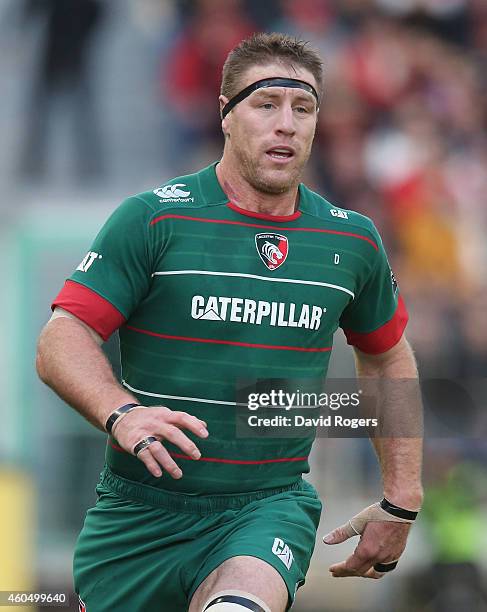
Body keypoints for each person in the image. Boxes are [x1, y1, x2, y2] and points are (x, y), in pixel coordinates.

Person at [36, 32, 423, 612]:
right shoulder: (154, 219)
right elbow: (61, 339)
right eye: (266, 105)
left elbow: (387, 354)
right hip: (138, 516)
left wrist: (401, 499)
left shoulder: (352, 239)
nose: (286, 124)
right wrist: (121, 412)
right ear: (225, 115)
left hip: (265, 507)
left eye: (304, 108)